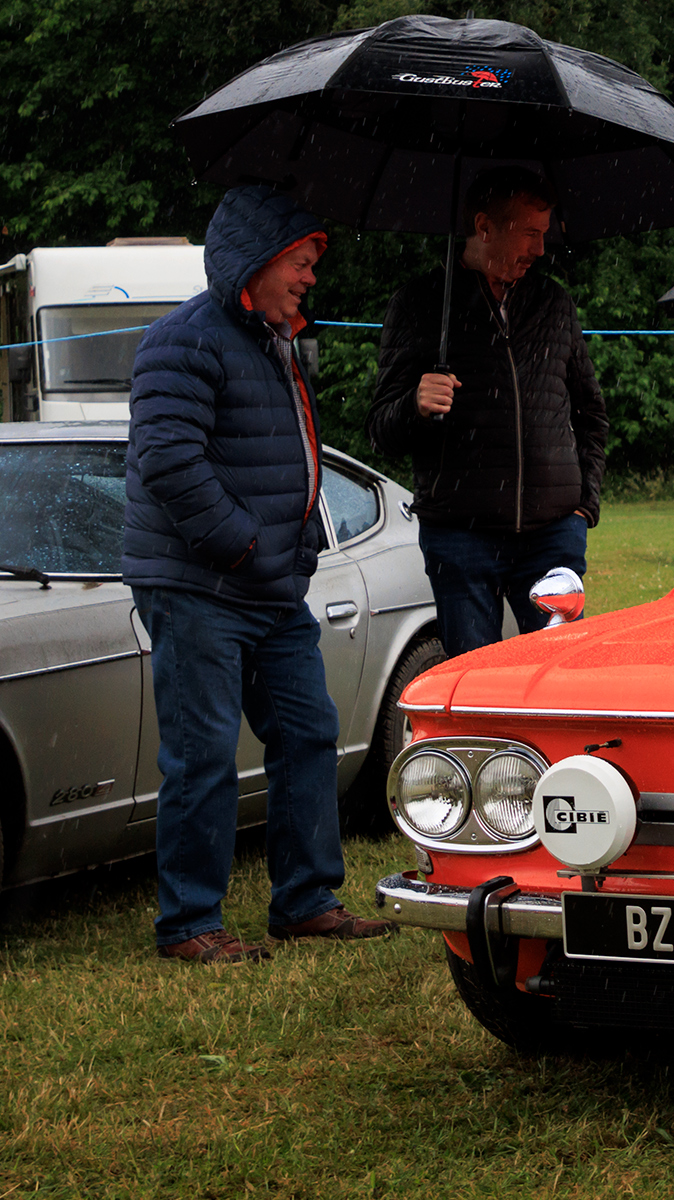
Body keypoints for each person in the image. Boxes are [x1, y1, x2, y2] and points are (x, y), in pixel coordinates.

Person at [124, 186, 396, 965]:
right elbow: (169, 463)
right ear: (256, 259)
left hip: (270, 586)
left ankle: (306, 901)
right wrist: (245, 545)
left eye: (312, 263)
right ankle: (188, 923)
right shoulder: (184, 341)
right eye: (301, 262)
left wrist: (295, 547)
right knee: (203, 752)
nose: (311, 277)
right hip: (200, 586)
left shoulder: (275, 340)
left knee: (309, 731)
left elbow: (290, 460)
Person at [367, 167, 609, 657]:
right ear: (483, 227)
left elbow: (592, 414)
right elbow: (380, 431)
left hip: (553, 536)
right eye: (530, 234)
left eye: (545, 233)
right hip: (460, 539)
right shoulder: (419, 305)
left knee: (558, 679)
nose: (541, 250)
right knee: (474, 686)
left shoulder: (553, 303)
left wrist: (584, 505)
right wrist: (415, 405)